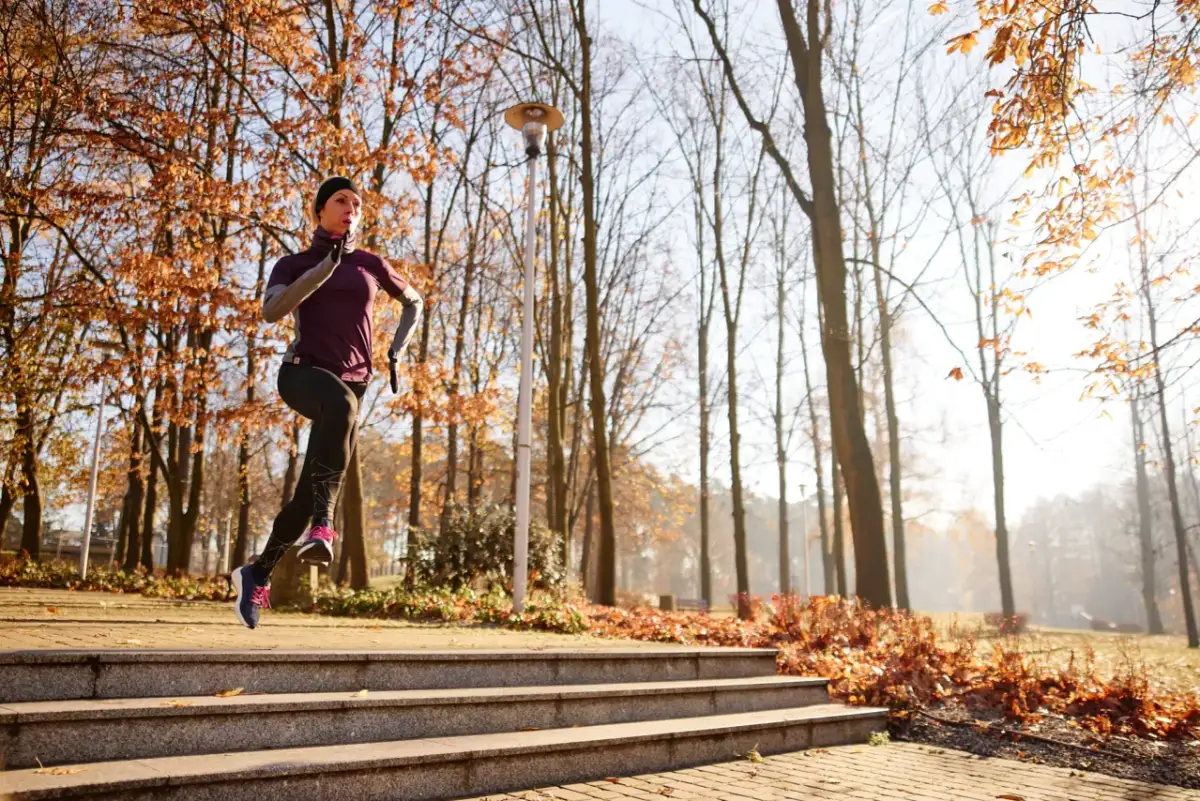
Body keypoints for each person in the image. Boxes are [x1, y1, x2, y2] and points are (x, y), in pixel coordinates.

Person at [232, 176, 423, 629]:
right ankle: (325, 528)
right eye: (340, 200)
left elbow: (415, 302)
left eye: (357, 203)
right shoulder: (293, 262)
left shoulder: (371, 264)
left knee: (306, 494)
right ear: (319, 211)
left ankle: (257, 572)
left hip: (353, 390)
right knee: (338, 408)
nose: (350, 208)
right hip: (302, 373)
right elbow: (272, 311)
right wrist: (323, 271)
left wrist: (396, 348)